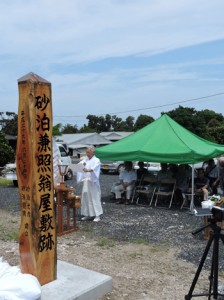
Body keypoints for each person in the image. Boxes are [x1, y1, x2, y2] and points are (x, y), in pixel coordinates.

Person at [76, 146, 103, 222]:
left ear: (93, 152)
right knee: (85, 196)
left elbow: (94, 168)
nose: (87, 153)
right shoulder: (85, 160)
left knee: (94, 197)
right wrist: (73, 167)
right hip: (86, 181)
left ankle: (97, 215)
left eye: (88, 152)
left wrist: (88, 170)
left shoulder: (96, 160)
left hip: (93, 182)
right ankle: (87, 214)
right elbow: (79, 166)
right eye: (86, 152)